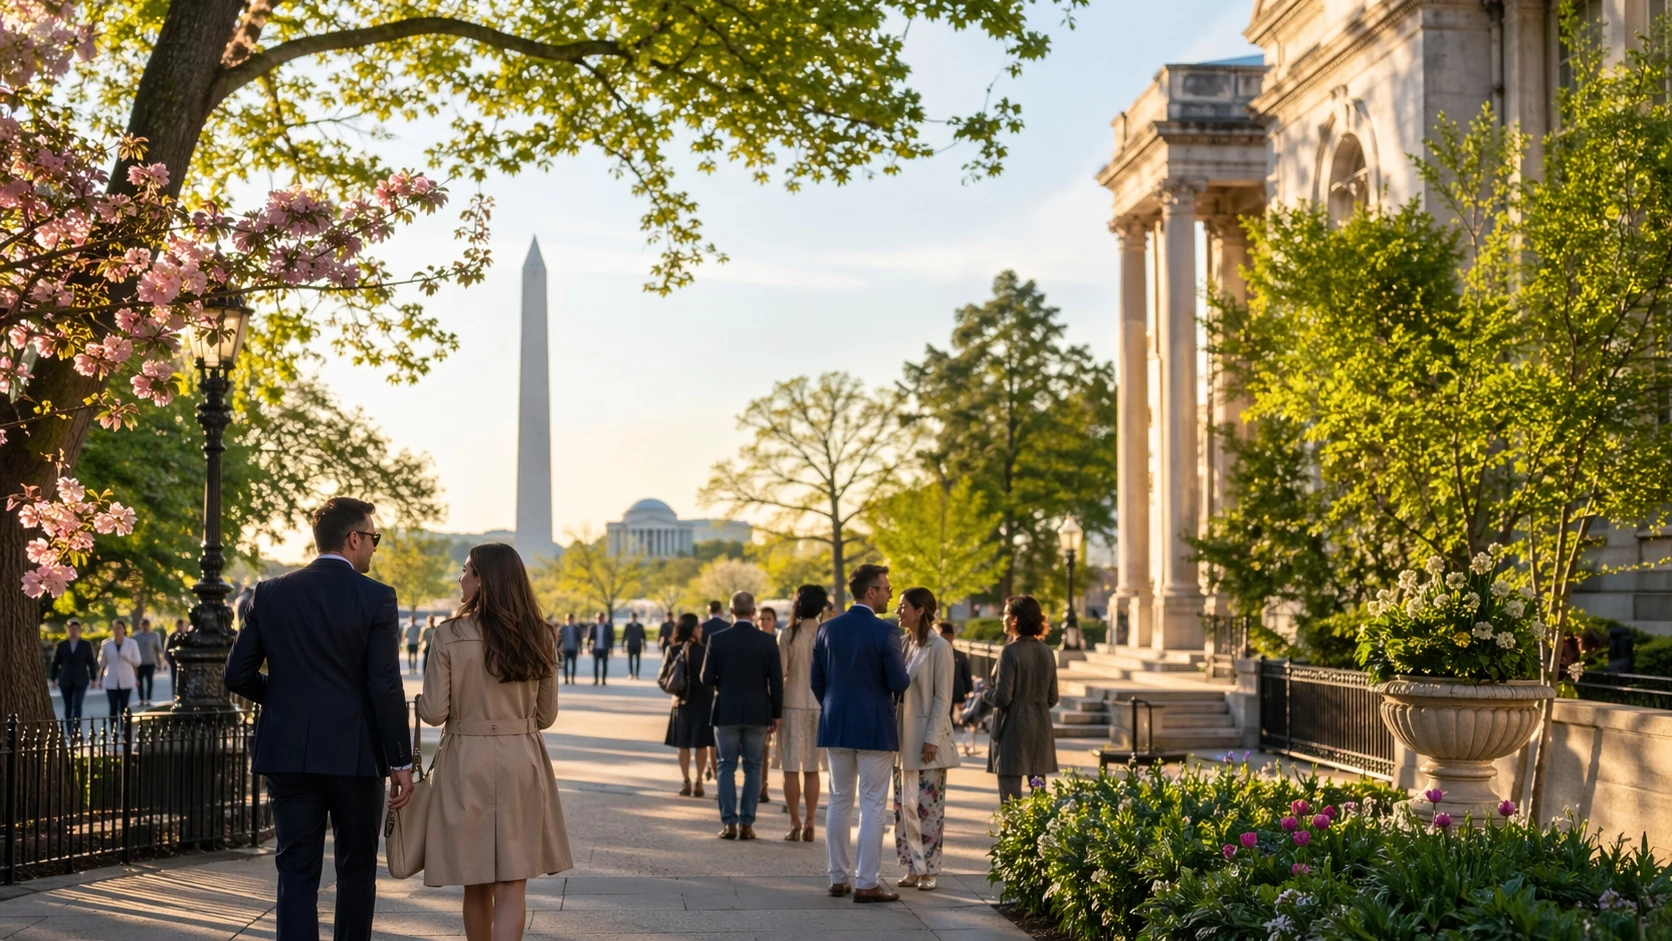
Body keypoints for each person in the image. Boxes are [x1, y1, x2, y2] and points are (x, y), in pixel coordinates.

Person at [223, 497, 413, 941]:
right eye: (373, 538)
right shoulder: (376, 597)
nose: (373, 548)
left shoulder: (269, 592)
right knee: (356, 870)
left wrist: (282, 698)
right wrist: (401, 762)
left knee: (295, 870)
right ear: (353, 539)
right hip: (356, 753)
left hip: (288, 752)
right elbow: (385, 686)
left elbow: (236, 674)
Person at [418, 543, 572, 941]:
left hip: (467, 760)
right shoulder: (541, 634)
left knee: (476, 879)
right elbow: (546, 716)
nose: (460, 577)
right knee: (512, 882)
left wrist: (420, 701)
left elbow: (434, 713)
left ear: (485, 579)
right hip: (521, 757)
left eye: (467, 570)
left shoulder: (448, 634)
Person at [811, 563, 910, 903]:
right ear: (871, 592)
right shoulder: (886, 632)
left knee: (838, 801)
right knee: (872, 805)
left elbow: (817, 681)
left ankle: (837, 878)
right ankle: (867, 882)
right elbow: (899, 681)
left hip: (835, 722)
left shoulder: (826, 629)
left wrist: (835, 705)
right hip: (873, 726)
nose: (890, 593)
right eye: (886, 588)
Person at [698, 591, 783, 841]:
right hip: (759, 711)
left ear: (731, 611)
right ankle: (747, 822)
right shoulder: (767, 641)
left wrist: (721, 682)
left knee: (725, 766)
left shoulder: (717, 639)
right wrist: (776, 713)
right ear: (754, 611)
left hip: (726, 709)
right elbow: (776, 681)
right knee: (754, 766)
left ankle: (729, 822)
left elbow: (705, 678)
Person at [893, 589, 959, 891]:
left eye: (903, 606)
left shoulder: (939, 647)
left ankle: (929, 868)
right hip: (901, 738)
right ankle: (911, 865)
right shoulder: (904, 644)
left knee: (928, 808)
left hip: (926, 740)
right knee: (903, 806)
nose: (898, 611)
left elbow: (943, 697)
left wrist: (932, 738)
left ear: (920, 611)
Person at [984, 595, 1060, 803]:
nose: (1003, 618)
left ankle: (1013, 834)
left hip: (1012, 730)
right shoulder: (1047, 652)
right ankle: (1039, 835)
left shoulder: (1010, 652)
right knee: (1039, 796)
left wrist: (985, 692)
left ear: (1015, 619)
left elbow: (1002, 697)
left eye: (1006, 613)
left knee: (1010, 798)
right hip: (1040, 728)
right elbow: (1053, 697)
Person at [776, 585, 827, 842]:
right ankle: (810, 822)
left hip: (791, 702)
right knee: (812, 768)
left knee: (790, 767)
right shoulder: (826, 634)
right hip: (819, 705)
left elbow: (780, 671)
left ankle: (794, 821)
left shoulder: (788, 634)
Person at [661, 613, 713, 797]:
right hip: (703, 700)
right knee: (701, 744)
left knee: (682, 744)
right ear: (692, 629)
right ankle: (699, 781)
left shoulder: (673, 650)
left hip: (681, 700)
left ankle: (686, 781)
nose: (701, 629)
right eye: (698, 627)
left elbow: (662, 678)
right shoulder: (705, 650)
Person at [51, 619, 96, 731]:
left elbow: (91, 661)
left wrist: (94, 678)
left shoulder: (85, 645)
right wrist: (53, 678)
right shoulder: (62, 645)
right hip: (65, 678)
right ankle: (69, 729)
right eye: (71, 629)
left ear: (79, 630)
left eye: (76, 629)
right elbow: (56, 662)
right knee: (68, 705)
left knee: (77, 704)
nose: (73, 631)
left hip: (81, 678)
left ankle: (76, 729)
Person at [98, 619, 142, 728]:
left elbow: (138, 661)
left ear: (124, 630)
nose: (117, 631)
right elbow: (101, 662)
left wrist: (127, 658)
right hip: (111, 679)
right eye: (115, 628)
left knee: (124, 706)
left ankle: (124, 729)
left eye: (119, 628)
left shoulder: (131, 643)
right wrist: (102, 656)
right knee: (113, 706)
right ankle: (113, 729)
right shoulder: (107, 644)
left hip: (126, 679)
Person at [757, 606, 779, 805]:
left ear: (774, 621)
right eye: (761, 618)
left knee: (766, 749)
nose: (764, 622)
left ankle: (763, 785)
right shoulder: (753, 641)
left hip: (772, 698)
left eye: (768, 618)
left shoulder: (777, 642)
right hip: (758, 698)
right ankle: (759, 785)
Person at [941, 622, 973, 727]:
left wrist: (968, 690)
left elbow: (966, 675)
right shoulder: (959, 655)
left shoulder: (960, 655)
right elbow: (966, 675)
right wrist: (968, 689)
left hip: (953, 689)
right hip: (952, 689)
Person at [133, 618, 165, 706]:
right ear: (141, 626)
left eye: (146, 625)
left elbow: (158, 649)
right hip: (140, 662)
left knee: (150, 681)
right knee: (140, 681)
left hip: (150, 662)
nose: (145, 627)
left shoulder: (154, 635)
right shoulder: (136, 637)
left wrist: (159, 663)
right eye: (143, 625)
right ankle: (141, 699)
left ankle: (148, 698)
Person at [589, 611, 615, 685]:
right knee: (596, 665)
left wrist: (611, 648)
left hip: (605, 648)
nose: (599, 619)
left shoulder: (608, 627)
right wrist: (589, 647)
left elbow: (611, 638)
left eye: (601, 618)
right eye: (598, 618)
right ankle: (596, 680)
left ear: (604, 618)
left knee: (604, 665)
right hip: (596, 648)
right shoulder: (594, 627)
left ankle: (603, 680)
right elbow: (590, 638)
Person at [558, 614, 582, 685]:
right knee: (565, 664)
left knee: (574, 664)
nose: (570, 620)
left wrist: (580, 649)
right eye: (568, 619)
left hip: (574, 648)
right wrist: (558, 647)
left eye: (571, 619)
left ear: (573, 619)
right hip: (565, 649)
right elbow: (559, 639)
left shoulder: (576, 628)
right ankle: (566, 679)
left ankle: (572, 679)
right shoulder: (563, 628)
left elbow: (579, 639)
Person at [622, 612, 646, 680]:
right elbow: (624, 636)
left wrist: (644, 644)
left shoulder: (640, 626)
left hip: (638, 645)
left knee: (638, 660)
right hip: (630, 645)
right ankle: (631, 674)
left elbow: (643, 636)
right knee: (630, 660)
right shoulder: (628, 626)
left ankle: (637, 674)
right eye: (632, 617)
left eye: (634, 617)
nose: (633, 618)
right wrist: (623, 646)